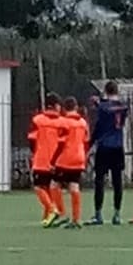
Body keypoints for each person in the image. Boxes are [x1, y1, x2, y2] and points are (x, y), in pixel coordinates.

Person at [86, 81, 130, 226]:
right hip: (118, 146)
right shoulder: (123, 106)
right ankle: (117, 214)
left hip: (104, 146)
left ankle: (98, 214)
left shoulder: (103, 108)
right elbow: (116, 107)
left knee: (99, 180)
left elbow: (99, 124)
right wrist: (101, 101)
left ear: (105, 91)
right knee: (117, 181)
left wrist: (90, 143)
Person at [28, 93, 66, 227]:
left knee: (39, 187)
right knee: (51, 188)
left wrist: (35, 152)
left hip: (41, 159)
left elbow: (31, 139)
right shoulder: (62, 122)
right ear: (55, 106)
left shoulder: (37, 120)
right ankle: (49, 216)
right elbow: (63, 142)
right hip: (56, 160)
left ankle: (52, 210)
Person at [53, 97, 90, 229]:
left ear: (64, 108)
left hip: (65, 157)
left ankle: (62, 213)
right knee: (74, 186)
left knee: (54, 185)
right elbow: (86, 140)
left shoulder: (63, 122)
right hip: (79, 156)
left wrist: (53, 159)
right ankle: (76, 218)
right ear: (76, 107)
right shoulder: (83, 122)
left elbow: (60, 142)